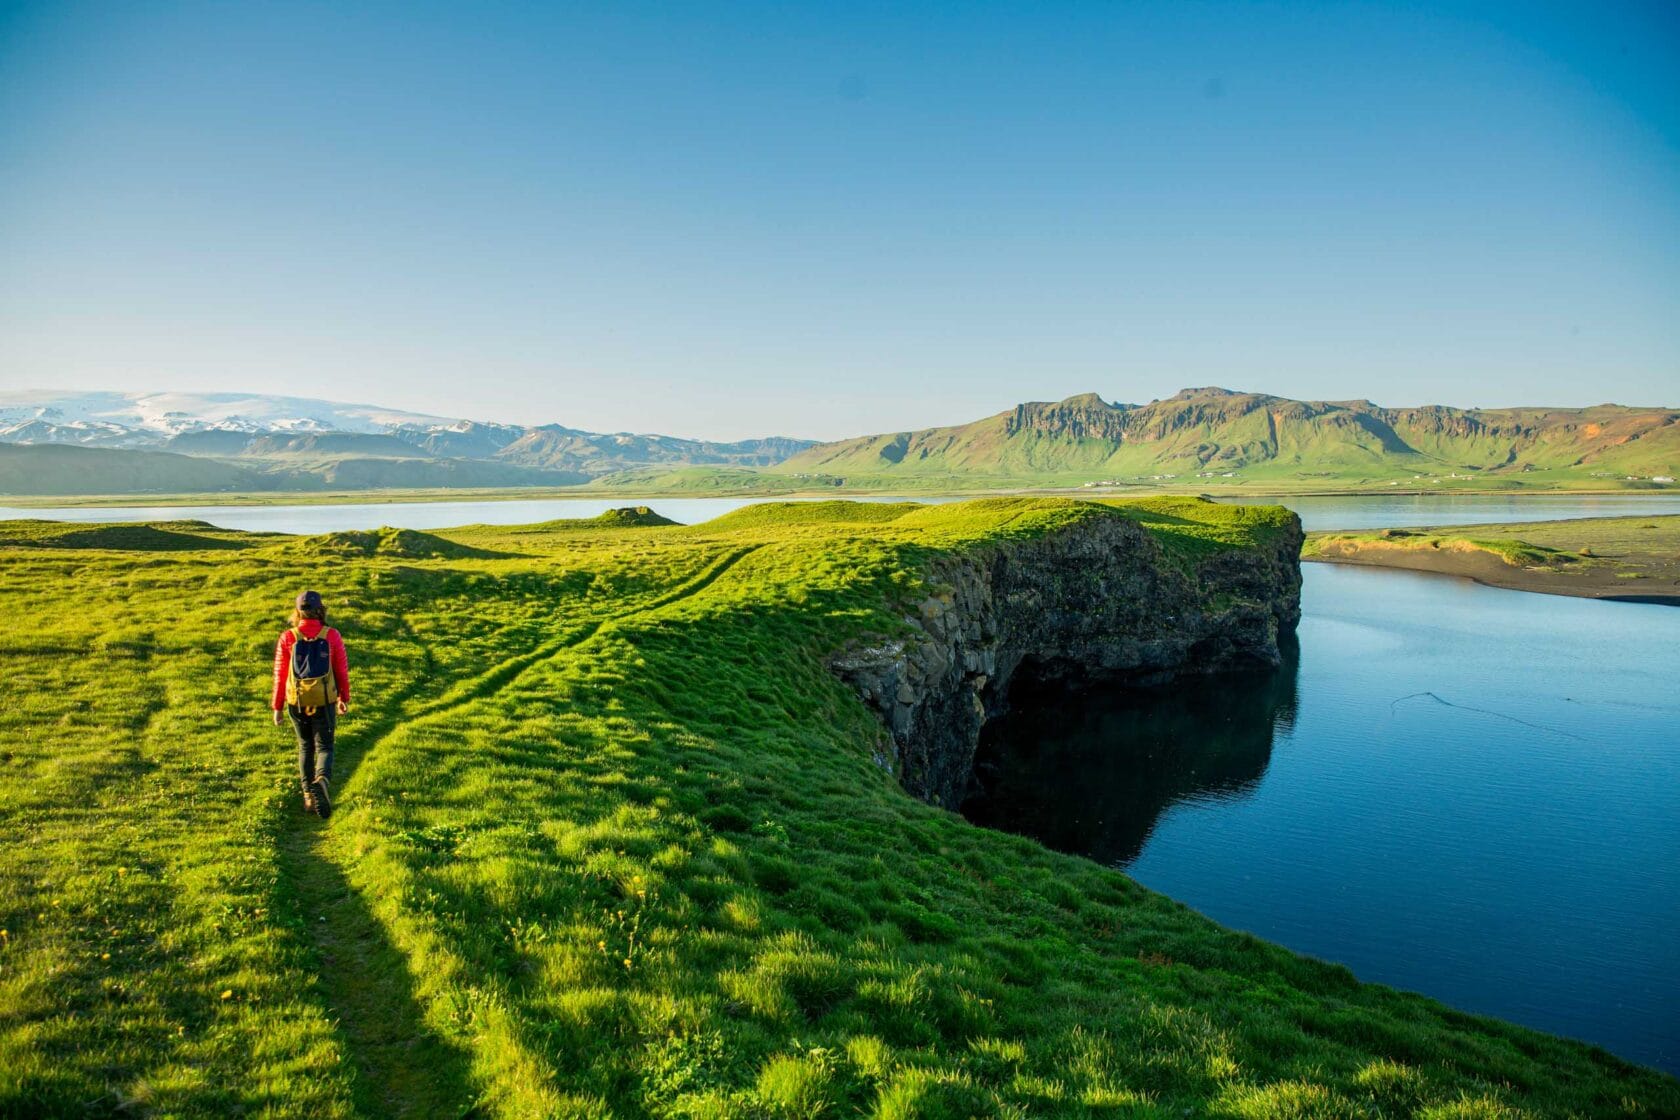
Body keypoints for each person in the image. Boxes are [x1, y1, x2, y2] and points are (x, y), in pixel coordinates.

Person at [272, 590, 350, 818]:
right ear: (320, 609)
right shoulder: (331, 635)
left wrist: (277, 707)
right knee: (325, 746)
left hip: (297, 701)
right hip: (324, 699)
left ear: (298, 611)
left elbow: (280, 674)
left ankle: (308, 797)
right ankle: (322, 781)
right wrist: (343, 698)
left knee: (305, 746)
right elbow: (341, 670)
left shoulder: (288, 637)